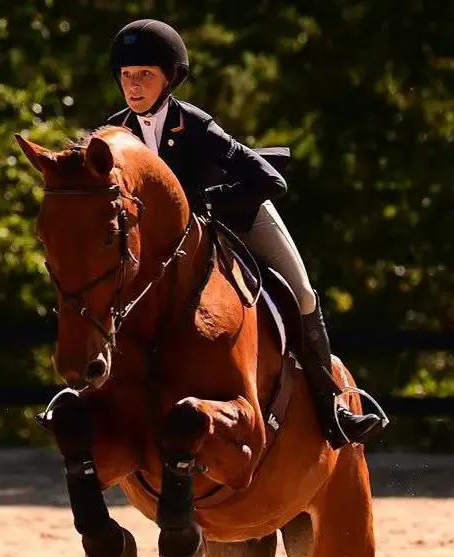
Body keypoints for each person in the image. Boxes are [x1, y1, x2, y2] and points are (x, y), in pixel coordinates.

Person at [102, 18, 386, 448]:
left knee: (304, 294)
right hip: (167, 245)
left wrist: (204, 202)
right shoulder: (116, 133)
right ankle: (91, 397)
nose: (134, 86)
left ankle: (332, 407)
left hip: (241, 215)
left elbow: (271, 180)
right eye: (127, 75)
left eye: (145, 75)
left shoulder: (195, 125)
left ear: (169, 78)